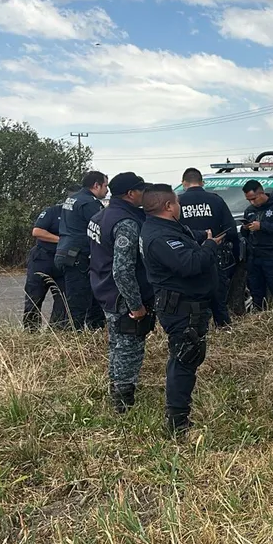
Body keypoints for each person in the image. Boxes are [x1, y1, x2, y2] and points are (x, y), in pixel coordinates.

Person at [140, 184, 224, 436]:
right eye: (176, 202)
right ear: (168, 206)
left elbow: (184, 240)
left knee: (187, 357)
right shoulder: (159, 237)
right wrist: (209, 246)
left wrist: (202, 237)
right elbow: (190, 264)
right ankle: (178, 423)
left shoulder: (165, 227)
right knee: (184, 359)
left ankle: (178, 417)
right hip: (182, 308)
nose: (179, 206)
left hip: (188, 305)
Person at [89, 172, 156, 413]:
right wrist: (136, 305)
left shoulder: (99, 216)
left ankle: (115, 389)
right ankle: (123, 405)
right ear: (130, 194)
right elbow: (122, 270)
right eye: (141, 190)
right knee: (129, 348)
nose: (144, 194)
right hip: (121, 297)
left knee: (116, 344)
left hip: (104, 290)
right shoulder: (126, 223)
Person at [178, 168, 241, 328]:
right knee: (218, 297)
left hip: (186, 257)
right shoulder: (216, 200)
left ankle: (195, 331)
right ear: (202, 182)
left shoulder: (177, 202)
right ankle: (224, 328)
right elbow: (231, 230)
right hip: (214, 255)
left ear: (184, 183)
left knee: (191, 299)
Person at [56, 171, 108, 331]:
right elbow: (101, 227)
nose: (107, 191)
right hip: (78, 255)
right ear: (96, 185)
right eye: (105, 186)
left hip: (65, 251)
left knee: (88, 296)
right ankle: (74, 338)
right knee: (79, 301)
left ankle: (96, 331)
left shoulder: (73, 199)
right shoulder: (89, 203)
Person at [21, 186, 77, 331]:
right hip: (42, 259)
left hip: (63, 262)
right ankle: (30, 331)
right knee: (34, 297)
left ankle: (54, 332)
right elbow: (37, 231)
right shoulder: (52, 211)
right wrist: (61, 240)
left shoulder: (77, 216)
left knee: (63, 299)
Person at [240, 180, 273, 311]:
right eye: (248, 200)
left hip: (272, 255)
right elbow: (245, 234)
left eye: (254, 198)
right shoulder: (250, 211)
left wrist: (261, 226)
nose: (252, 202)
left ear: (261, 193)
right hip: (254, 257)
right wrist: (245, 228)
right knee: (256, 293)